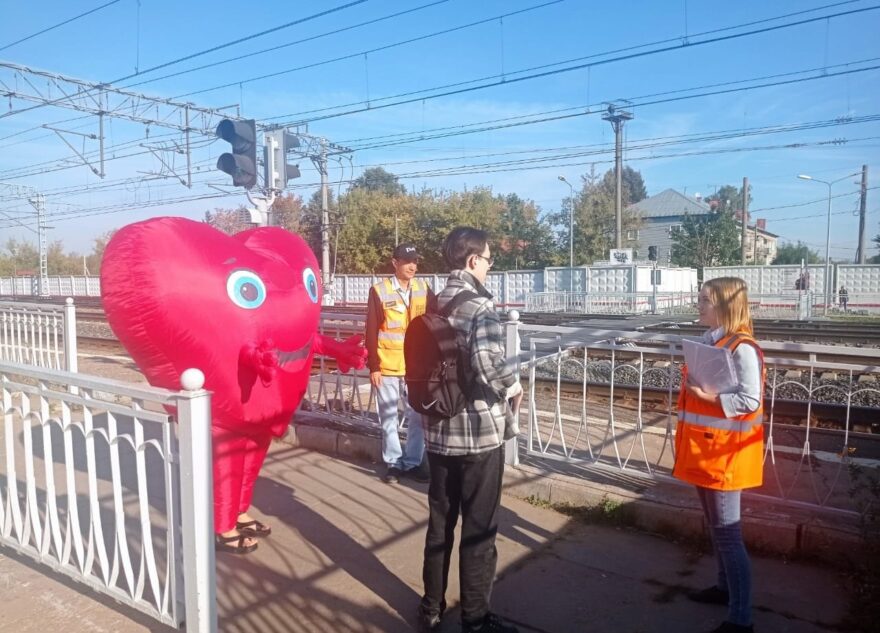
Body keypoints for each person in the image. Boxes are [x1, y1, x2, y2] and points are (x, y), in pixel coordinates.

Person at [417, 227, 523, 633]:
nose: (491, 265)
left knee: (440, 522)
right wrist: (514, 387)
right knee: (480, 529)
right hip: (478, 435)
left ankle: (430, 607)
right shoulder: (480, 307)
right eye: (489, 258)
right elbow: (488, 368)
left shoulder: (434, 300)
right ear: (472, 260)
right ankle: (476, 619)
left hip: (438, 430)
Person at [674, 277, 765, 633]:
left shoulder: (742, 347)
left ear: (725, 306)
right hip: (707, 450)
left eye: (704, 300)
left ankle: (741, 620)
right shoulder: (712, 341)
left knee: (728, 535)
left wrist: (711, 397)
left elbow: (751, 400)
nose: (698, 305)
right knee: (717, 529)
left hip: (726, 456)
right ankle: (723, 589)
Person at [366, 243, 436, 484]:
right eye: (407, 262)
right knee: (388, 419)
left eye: (415, 261)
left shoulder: (423, 288)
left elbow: (435, 321)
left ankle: (413, 462)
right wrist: (373, 366)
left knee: (417, 417)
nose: (412, 266)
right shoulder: (379, 290)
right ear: (395, 263)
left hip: (416, 367)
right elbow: (371, 331)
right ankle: (394, 463)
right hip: (387, 366)